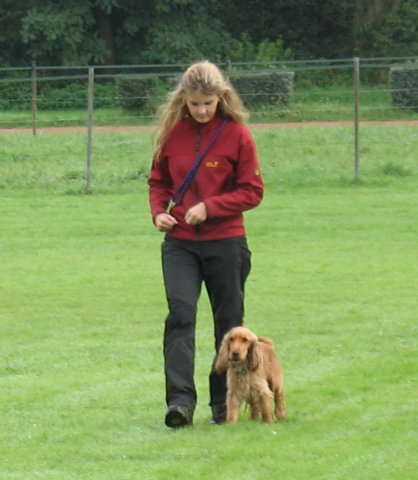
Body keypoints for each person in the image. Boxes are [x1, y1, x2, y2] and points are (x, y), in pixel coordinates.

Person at [148, 60, 264, 428]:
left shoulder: (237, 136)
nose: (201, 110)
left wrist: (211, 207)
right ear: (184, 98)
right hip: (179, 245)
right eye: (195, 103)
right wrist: (158, 212)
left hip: (226, 242)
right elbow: (158, 182)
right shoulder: (172, 134)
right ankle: (180, 404)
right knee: (180, 317)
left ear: (221, 99)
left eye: (208, 104)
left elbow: (252, 191)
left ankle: (222, 405)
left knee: (228, 324)